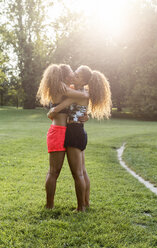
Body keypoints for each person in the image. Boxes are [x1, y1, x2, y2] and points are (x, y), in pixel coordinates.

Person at [48, 65, 112, 211]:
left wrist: (52, 112)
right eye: (74, 74)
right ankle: (86, 203)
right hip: (79, 131)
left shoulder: (79, 93)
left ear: (83, 82)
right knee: (82, 171)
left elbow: (61, 106)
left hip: (74, 132)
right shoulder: (80, 91)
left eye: (77, 76)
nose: (73, 77)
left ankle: (80, 207)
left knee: (77, 173)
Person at [36, 64, 89, 209]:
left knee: (78, 172)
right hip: (58, 131)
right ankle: (49, 205)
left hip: (69, 131)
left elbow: (77, 103)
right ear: (65, 76)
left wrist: (84, 115)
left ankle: (83, 204)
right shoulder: (60, 87)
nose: (73, 74)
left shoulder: (66, 88)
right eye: (72, 72)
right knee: (54, 171)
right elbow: (83, 95)